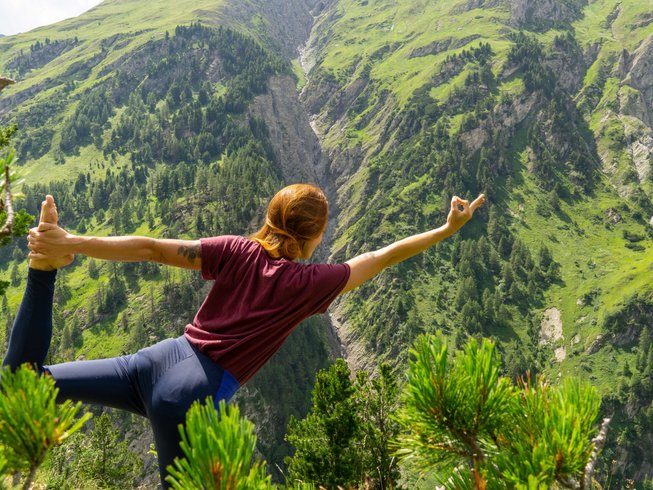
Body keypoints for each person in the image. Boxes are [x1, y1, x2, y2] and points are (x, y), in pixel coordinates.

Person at [5, 183, 485, 487]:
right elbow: (380, 257)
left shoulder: (235, 250)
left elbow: (151, 248)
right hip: (191, 394)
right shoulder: (309, 284)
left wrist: (70, 243)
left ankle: (42, 272)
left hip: (157, 360)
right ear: (314, 236)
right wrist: (446, 228)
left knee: (25, 380)